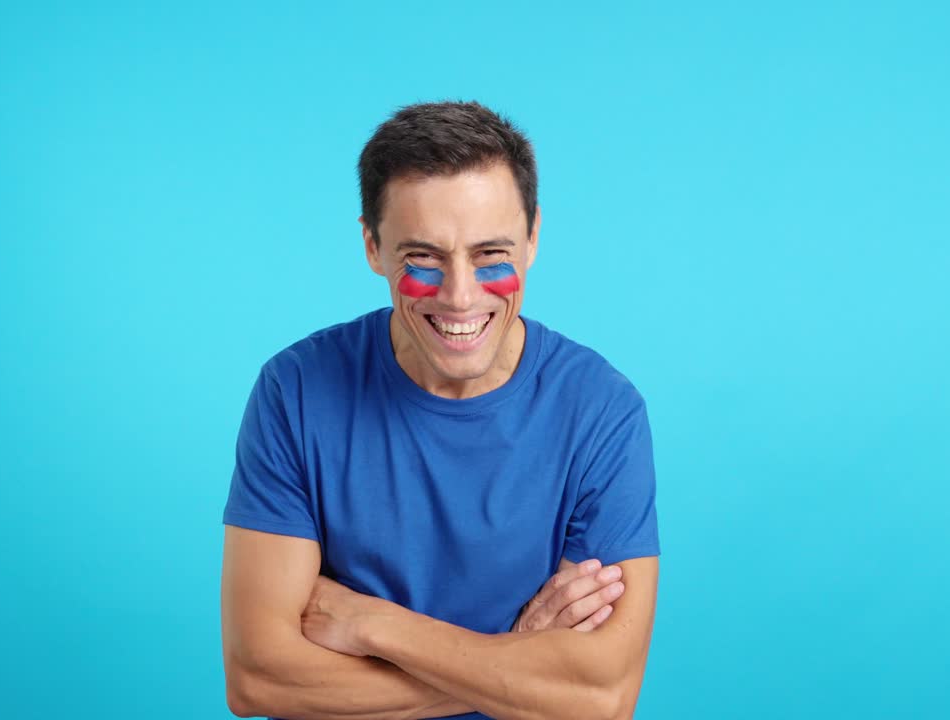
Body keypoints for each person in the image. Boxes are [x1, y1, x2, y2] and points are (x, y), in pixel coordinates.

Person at [219, 101, 661, 720]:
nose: (459, 296)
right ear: (372, 246)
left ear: (533, 237)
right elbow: (259, 678)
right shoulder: (294, 391)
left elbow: (601, 696)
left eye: (490, 255)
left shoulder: (601, 413)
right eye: (422, 258)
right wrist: (517, 662)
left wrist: (374, 625)